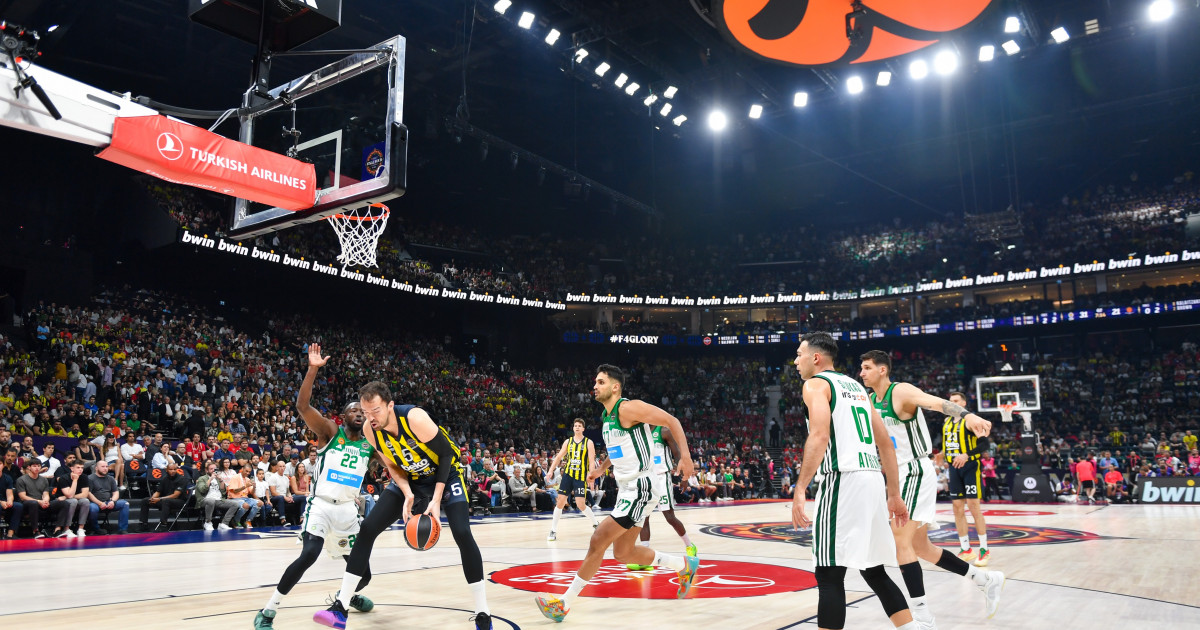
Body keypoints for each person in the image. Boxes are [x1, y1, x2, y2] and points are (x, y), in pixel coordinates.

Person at [535, 364, 700, 623]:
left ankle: (563, 604)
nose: (595, 386)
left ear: (615, 387)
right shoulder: (607, 418)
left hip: (641, 487)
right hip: (628, 489)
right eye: (595, 382)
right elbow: (618, 450)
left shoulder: (627, 408)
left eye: (600, 382)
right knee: (623, 553)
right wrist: (600, 469)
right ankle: (683, 565)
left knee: (598, 539)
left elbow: (672, 420)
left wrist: (686, 456)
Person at [325, 380, 493, 630]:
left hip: (445, 475)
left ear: (390, 406)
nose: (370, 417)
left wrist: (437, 498)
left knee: (462, 532)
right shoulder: (370, 430)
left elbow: (446, 454)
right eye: (366, 412)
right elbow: (392, 465)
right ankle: (341, 607)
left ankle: (482, 613)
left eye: (375, 411)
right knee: (368, 528)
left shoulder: (414, 418)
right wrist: (407, 493)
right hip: (411, 478)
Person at [860, 351, 1006, 627]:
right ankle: (985, 579)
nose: (862, 373)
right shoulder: (870, 400)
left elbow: (936, 403)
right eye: (861, 368)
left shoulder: (900, 391)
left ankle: (924, 617)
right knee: (921, 546)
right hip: (897, 473)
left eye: (867, 367)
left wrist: (967, 415)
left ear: (882, 370)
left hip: (914, 470)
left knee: (900, 542)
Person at [790, 333, 916, 630]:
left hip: (843, 479)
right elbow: (886, 444)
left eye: (799, 354)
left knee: (829, 574)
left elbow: (819, 435)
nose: (796, 361)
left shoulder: (816, 384)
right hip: (871, 480)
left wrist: (800, 488)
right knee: (874, 571)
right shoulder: (858, 388)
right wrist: (894, 494)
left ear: (816, 358)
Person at [255, 344, 377, 630]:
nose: (359, 414)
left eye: (362, 411)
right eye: (353, 410)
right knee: (309, 554)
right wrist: (312, 370)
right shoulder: (330, 432)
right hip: (321, 505)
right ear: (343, 416)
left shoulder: (371, 445)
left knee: (365, 575)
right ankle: (268, 611)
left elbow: (393, 466)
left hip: (348, 511)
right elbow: (302, 407)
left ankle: (345, 598)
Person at [626, 423, 697, 570]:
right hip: (646, 478)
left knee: (669, 517)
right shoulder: (641, 432)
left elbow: (677, 454)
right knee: (643, 518)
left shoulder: (663, 431)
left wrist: (684, 477)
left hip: (662, 478)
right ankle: (644, 558)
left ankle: (690, 545)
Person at [941, 391, 993, 565]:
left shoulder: (971, 421)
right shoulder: (947, 421)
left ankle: (984, 550)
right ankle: (966, 549)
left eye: (956, 401)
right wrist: (941, 454)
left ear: (963, 403)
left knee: (973, 507)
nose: (952, 403)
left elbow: (985, 444)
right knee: (957, 508)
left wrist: (966, 455)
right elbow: (949, 443)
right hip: (954, 468)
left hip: (970, 467)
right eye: (950, 401)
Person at [545, 418, 600, 541]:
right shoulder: (568, 442)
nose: (577, 427)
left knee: (581, 504)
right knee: (560, 502)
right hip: (568, 475)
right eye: (575, 425)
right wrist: (550, 470)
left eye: (579, 425)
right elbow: (558, 457)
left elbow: (591, 461)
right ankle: (553, 530)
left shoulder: (589, 442)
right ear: (573, 428)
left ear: (583, 429)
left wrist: (591, 477)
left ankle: (595, 523)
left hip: (580, 476)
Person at [16, 459, 66, 538]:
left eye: (38, 466)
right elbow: (22, 497)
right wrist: (39, 501)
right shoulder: (21, 479)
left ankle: (57, 529)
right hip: (27, 503)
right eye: (34, 466)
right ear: (29, 467)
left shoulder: (44, 479)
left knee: (64, 503)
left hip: (41, 502)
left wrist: (46, 501)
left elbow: (46, 494)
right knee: (33, 503)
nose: (37, 468)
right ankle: (35, 531)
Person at [139, 463, 186, 531]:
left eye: (174, 469)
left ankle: (163, 525)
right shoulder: (164, 478)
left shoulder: (181, 479)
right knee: (145, 500)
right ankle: (144, 524)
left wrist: (159, 499)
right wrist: (153, 498)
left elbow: (175, 495)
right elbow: (158, 491)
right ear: (167, 470)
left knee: (166, 501)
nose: (173, 471)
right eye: (171, 469)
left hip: (178, 501)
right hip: (164, 500)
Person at [88, 460, 130, 534]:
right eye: (103, 467)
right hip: (95, 503)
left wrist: (112, 501)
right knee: (92, 508)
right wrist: (100, 503)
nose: (105, 468)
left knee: (125, 504)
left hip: (108, 501)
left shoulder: (111, 478)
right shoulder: (90, 478)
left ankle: (122, 529)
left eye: (106, 466)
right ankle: (96, 529)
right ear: (96, 468)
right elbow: (88, 493)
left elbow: (116, 492)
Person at [53, 460, 92, 537]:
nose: (80, 470)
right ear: (72, 468)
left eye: (82, 468)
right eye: (78, 467)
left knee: (85, 501)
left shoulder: (84, 477)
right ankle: (66, 529)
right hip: (60, 502)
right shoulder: (64, 478)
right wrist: (75, 480)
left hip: (69, 498)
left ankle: (81, 529)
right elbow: (69, 495)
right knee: (73, 501)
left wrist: (66, 497)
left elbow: (85, 494)